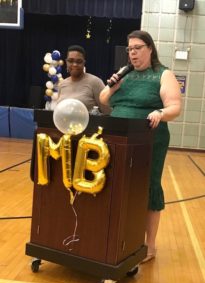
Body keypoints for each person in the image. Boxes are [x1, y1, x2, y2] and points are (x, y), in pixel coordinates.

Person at [99, 30, 181, 263]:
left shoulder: (163, 75)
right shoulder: (124, 74)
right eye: (129, 49)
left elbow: (174, 106)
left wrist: (160, 112)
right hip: (117, 138)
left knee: (147, 188)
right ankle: (121, 238)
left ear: (150, 49)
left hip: (149, 141)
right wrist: (114, 84)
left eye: (137, 48)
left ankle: (149, 245)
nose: (132, 53)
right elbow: (104, 99)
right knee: (118, 187)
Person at [57, 45, 110, 114]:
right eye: (70, 61)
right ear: (66, 62)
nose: (75, 64)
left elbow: (108, 112)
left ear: (84, 63)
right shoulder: (62, 84)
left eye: (79, 61)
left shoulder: (95, 82)